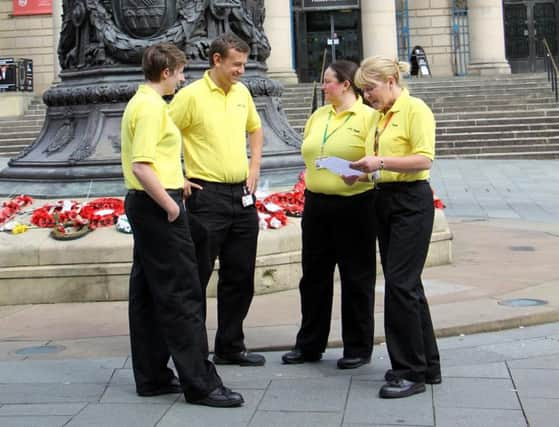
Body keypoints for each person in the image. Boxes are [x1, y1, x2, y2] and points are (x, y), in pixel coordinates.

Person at [121, 42, 243, 407]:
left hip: (148, 204)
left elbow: (152, 160)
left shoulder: (141, 103)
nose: (182, 78)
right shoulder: (152, 108)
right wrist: (171, 205)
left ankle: (153, 375)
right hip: (158, 206)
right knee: (182, 293)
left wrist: (177, 180)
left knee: (146, 292)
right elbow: (143, 166)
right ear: (165, 73)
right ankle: (201, 383)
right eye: (179, 72)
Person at [169, 32, 265, 367]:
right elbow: (165, 133)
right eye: (236, 64)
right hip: (205, 196)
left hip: (241, 195)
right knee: (197, 276)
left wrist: (254, 166)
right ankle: (193, 352)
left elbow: (255, 129)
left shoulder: (243, 93)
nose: (241, 70)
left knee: (241, 276)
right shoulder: (191, 95)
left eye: (244, 63)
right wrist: (176, 175)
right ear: (217, 60)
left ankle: (230, 346)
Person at [348, 56, 441, 399]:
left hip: (411, 200)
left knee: (399, 286)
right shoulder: (378, 117)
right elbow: (380, 163)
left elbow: (424, 158)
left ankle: (409, 371)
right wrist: (362, 172)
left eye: (369, 89)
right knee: (408, 285)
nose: (366, 96)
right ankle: (426, 364)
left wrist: (381, 162)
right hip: (385, 197)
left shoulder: (415, 109)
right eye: (362, 91)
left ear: (390, 80)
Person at [281, 60, 377, 369]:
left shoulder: (368, 117)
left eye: (328, 81)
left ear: (346, 84)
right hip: (317, 205)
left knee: (356, 278)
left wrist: (354, 172)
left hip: (355, 205)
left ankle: (358, 347)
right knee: (313, 278)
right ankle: (309, 344)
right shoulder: (318, 116)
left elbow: (375, 161)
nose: (323, 87)